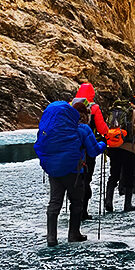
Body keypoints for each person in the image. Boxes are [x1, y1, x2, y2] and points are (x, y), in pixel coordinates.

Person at [34, 99, 106, 247]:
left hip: (54, 171)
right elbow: (93, 151)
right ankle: (74, 234)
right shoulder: (83, 129)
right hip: (74, 171)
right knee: (76, 202)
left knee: (54, 202)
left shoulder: (55, 129)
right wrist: (103, 143)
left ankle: (51, 238)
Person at [104, 97, 135, 213]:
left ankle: (108, 200)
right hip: (129, 148)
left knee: (114, 174)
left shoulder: (113, 112)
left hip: (113, 147)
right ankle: (127, 204)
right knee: (129, 175)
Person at [74, 83, 109, 220]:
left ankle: (75, 209)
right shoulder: (94, 108)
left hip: (72, 149)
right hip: (89, 147)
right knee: (86, 179)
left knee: (75, 179)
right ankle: (83, 211)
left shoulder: (71, 105)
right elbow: (102, 129)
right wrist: (104, 141)